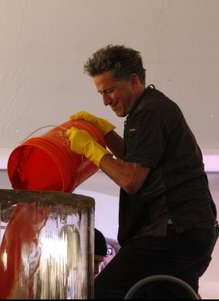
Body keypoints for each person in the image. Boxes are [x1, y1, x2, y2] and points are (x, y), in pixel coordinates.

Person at [66, 44, 218, 298]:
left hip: (172, 232)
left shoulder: (149, 112)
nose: (105, 102)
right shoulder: (153, 108)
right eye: (101, 93)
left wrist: (92, 150)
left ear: (134, 80)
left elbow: (131, 179)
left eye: (110, 90)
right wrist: (107, 134)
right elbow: (140, 160)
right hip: (193, 233)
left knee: (103, 293)